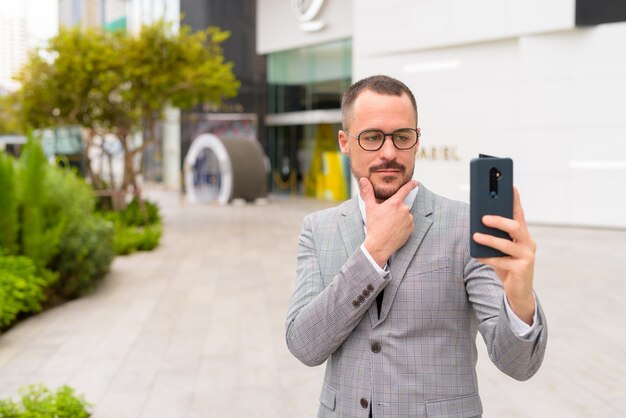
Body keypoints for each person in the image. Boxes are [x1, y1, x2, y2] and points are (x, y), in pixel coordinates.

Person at [285, 75, 547, 418]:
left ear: (417, 140)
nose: (389, 152)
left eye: (402, 137)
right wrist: (373, 253)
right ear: (345, 142)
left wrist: (520, 299)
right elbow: (305, 345)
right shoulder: (318, 230)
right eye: (372, 138)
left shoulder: (465, 225)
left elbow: (518, 366)